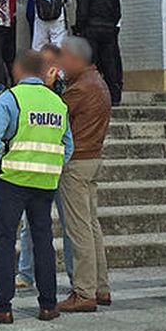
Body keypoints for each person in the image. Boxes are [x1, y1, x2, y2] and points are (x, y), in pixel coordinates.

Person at [0, 49, 72, 324]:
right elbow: (68, 146)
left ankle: (2, 306)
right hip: (45, 182)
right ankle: (48, 305)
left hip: (13, 180)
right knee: (43, 241)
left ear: (18, 71)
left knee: (4, 240)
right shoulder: (57, 103)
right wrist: (52, 165)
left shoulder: (11, 98)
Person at [54, 37, 112, 313]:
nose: (60, 63)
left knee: (78, 229)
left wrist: (48, 88)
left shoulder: (80, 89)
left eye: (63, 57)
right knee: (91, 225)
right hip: (94, 158)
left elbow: (57, 115)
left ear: (77, 59)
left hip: (76, 162)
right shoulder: (99, 83)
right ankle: (101, 286)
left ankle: (84, 291)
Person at [18, 44, 73, 290]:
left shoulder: (67, 87)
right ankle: (25, 273)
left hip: (60, 167)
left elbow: (63, 123)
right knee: (29, 226)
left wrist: (61, 161)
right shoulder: (33, 91)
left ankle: (75, 276)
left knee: (68, 223)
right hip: (36, 169)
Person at [75, 0, 123, 105]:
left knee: (90, 63)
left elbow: (82, 11)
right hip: (109, 29)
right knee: (110, 62)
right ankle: (114, 96)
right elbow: (117, 12)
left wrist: (80, 28)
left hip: (91, 29)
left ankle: (90, 94)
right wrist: (111, 25)